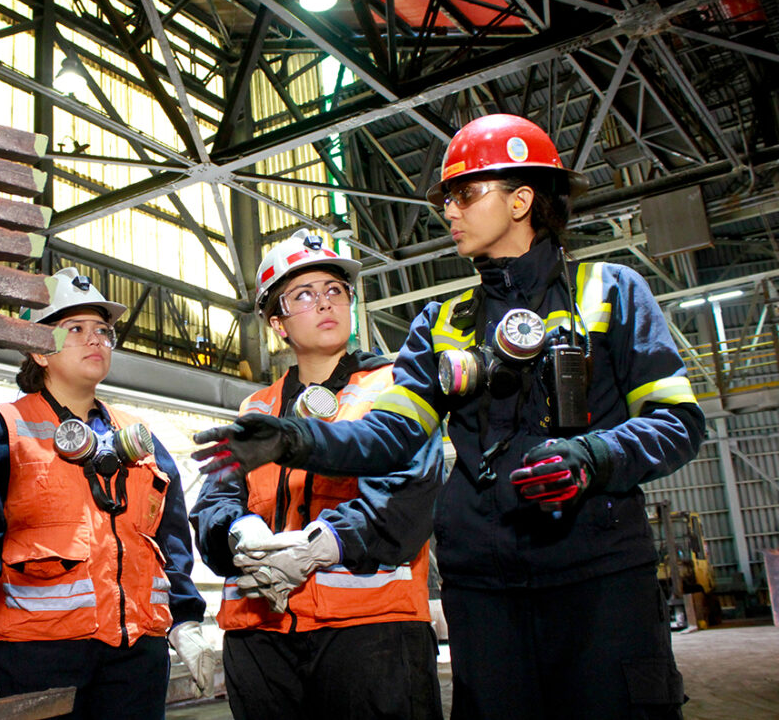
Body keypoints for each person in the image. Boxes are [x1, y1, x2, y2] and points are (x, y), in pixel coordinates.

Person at [193, 114, 705, 720]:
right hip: (483, 588)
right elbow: (389, 435)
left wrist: (594, 457)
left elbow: (677, 420)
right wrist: (292, 437)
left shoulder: (611, 291)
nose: (450, 212)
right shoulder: (441, 322)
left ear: (521, 200)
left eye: (464, 195)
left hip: (598, 574)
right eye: (447, 200)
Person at [0, 267, 214, 717]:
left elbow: (168, 538)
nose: (95, 339)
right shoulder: (8, 429)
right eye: (75, 328)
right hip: (38, 655)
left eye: (102, 330)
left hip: (137, 655)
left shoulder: (140, 439)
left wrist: (187, 620)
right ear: (40, 351)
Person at [190, 229, 444, 720]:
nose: (326, 304)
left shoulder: (394, 387)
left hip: (371, 634)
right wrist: (237, 531)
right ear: (278, 324)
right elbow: (214, 501)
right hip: (262, 635)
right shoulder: (256, 407)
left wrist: (319, 546)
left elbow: (410, 496)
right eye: (304, 295)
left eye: (335, 291)